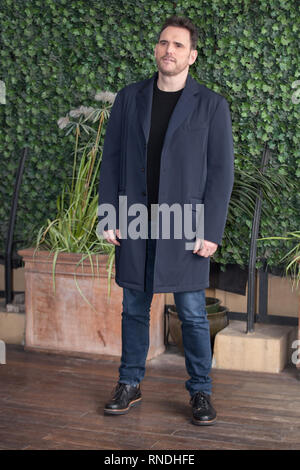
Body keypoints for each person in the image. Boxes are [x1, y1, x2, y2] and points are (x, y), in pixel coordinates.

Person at [97, 15, 234, 426]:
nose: (168, 50)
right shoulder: (129, 98)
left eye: (177, 45)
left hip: (187, 223)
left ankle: (201, 392)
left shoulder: (211, 105)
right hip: (136, 219)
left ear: (192, 55)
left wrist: (211, 230)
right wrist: (109, 214)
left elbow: (221, 172)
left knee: (192, 312)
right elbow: (113, 161)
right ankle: (129, 383)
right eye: (163, 43)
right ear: (156, 50)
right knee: (134, 307)